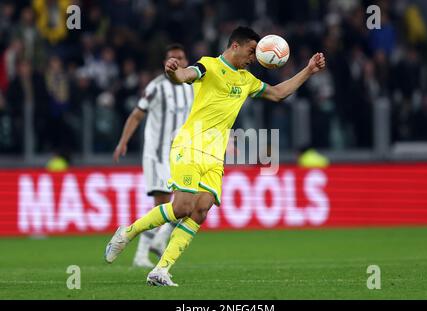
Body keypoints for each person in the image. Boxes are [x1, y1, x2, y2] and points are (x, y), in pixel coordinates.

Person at [105, 26, 326, 286]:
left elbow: (278, 93)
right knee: (182, 207)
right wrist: (174, 72)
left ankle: (161, 270)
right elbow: (187, 75)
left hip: (214, 155)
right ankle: (128, 232)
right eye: (251, 51)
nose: (253, 57)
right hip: (189, 145)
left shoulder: (247, 80)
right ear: (235, 46)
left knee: (200, 210)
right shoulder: (208, 66)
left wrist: (309, 70)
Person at [112, 44, 193, 267]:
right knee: (164, 203)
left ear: (186, 60)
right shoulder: (156, 87)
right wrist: (123, 141)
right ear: (165, 63)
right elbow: (137, 115)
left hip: (182, 154)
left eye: (181, 57)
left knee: (183, 204)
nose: (177, 61)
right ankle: (146, 250)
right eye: (172, 58)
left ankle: (156, 242)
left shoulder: (192, 86)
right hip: (157, 155)